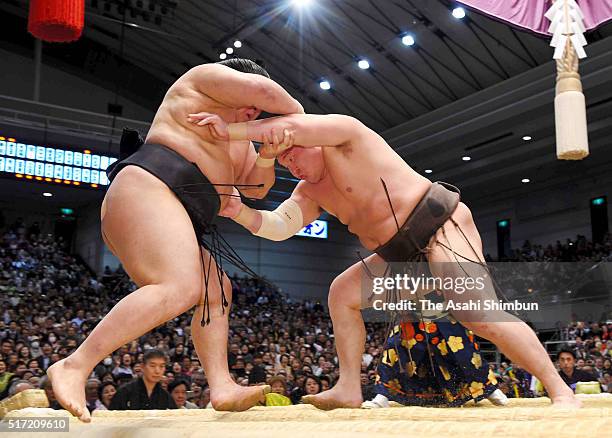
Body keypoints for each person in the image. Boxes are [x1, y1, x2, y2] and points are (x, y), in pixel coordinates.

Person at [187, 111, 582, 409]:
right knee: (341, 293)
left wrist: (231, 130)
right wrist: (236, 209)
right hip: (398, 256)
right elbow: (278, 225)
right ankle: (348, 387)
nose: (291, 163)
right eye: (284, 161)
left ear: (310, 137)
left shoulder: (347, 135)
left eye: (293, 152)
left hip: (438, 224)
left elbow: (296, 125)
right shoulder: (309, 192)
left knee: (477, 313)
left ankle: (559, 387)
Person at [47, 58, 303, 421]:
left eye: (258, 111)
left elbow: (257, 190)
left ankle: (222, 386)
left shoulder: (242, 135)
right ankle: (74, 365)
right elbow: (264, 90)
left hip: (176, 213)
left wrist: (267, 155)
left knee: (216, 290)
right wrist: (297, 118)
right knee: (182, 286)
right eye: (253, 105)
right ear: (238, 83)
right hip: (149, 186)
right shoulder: (203, 81)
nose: (254, 111)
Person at [109, 350, 176, 410]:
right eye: (152, 366)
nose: (157, 371)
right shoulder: (125, 392)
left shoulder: (165, 397)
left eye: (161, 366)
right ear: (142, 367)